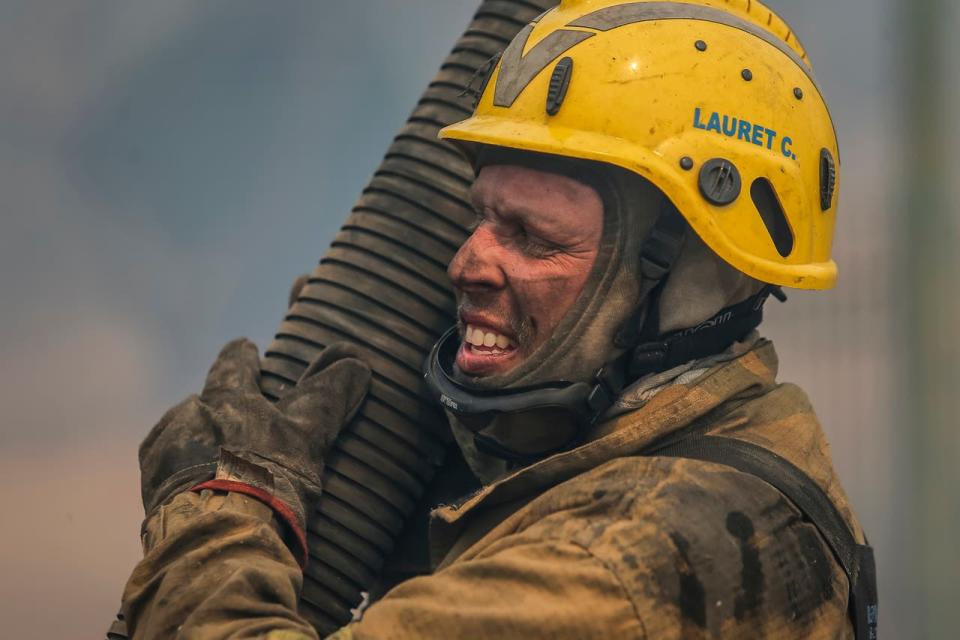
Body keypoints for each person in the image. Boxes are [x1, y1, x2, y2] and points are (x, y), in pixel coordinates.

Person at [120, 1, 877, 638]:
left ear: (689, 281)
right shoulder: (683, 440)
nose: (467, 263)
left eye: (534, 237)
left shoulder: (626, 561)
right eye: (479, 218)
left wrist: (224, 514)